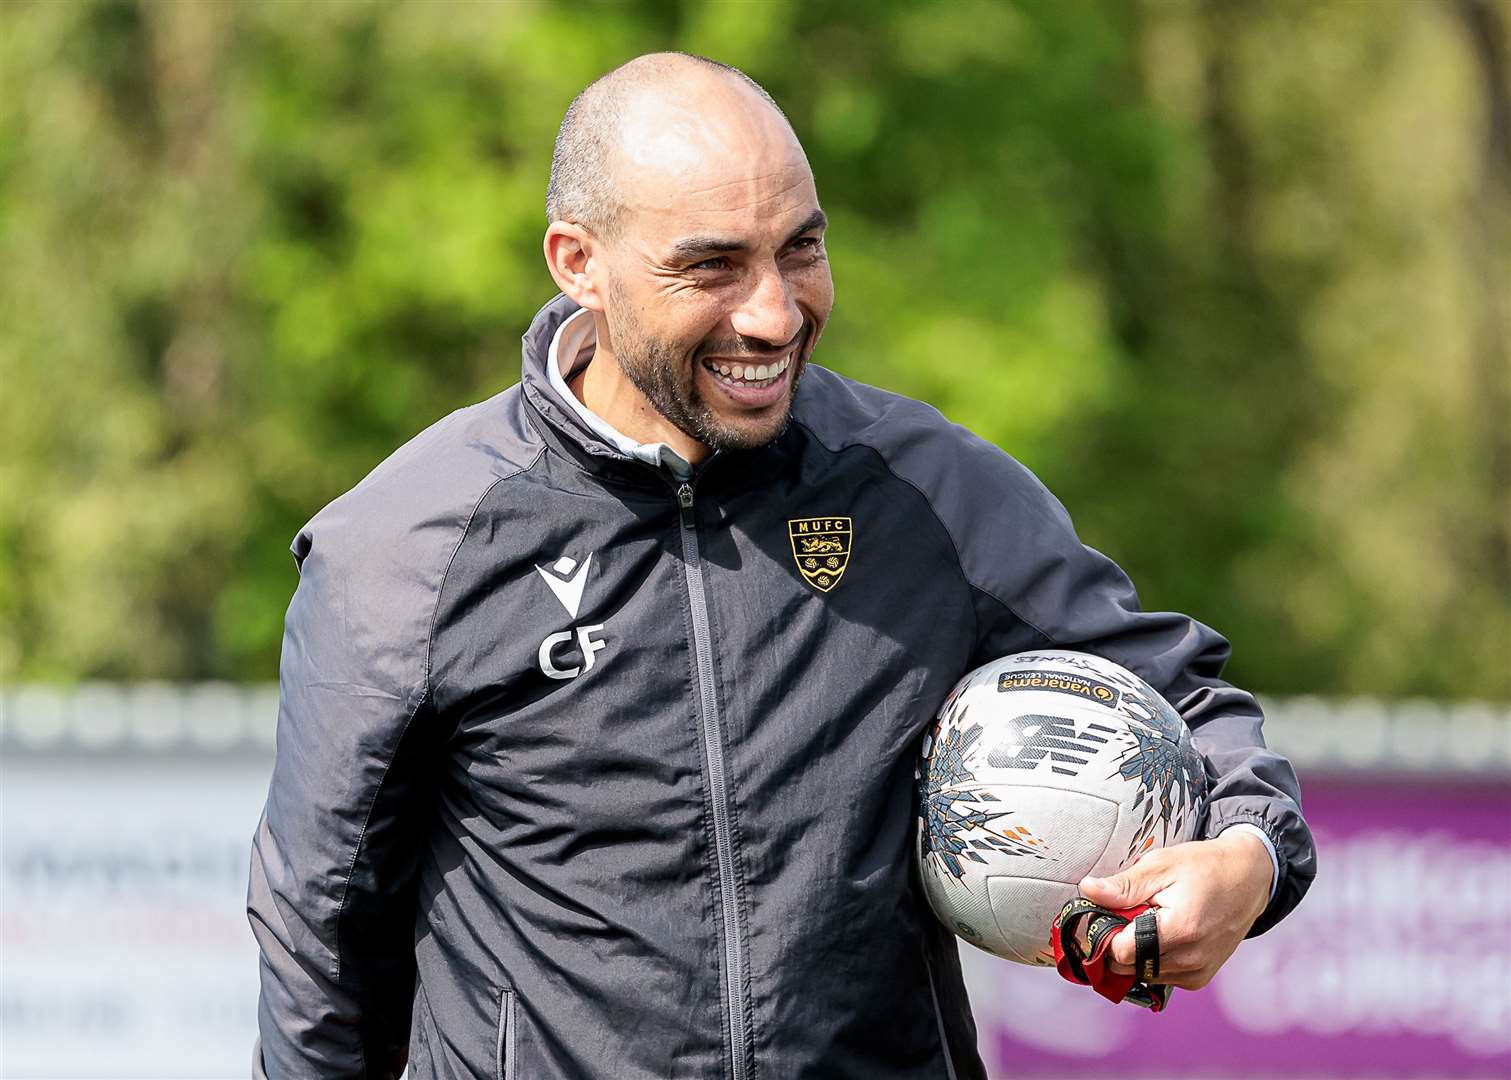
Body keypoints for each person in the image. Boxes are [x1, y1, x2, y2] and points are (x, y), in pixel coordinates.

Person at [248, 52, 1315, 1080]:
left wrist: (1244, 858)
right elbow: (322, 946)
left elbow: (1180, 701)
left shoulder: (927, 493)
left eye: (799, 250)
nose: (772, 312)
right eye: (711, 266)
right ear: (579, 264)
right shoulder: (402, 547)